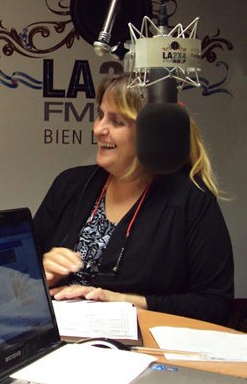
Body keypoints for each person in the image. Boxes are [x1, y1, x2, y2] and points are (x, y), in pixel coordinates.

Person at [33, 73, 234, 326]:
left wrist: (126, 302)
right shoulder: (69, 185)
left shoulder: (191, 200)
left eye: (116, 121)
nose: (98, 129)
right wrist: (42, 274)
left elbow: (215, 305)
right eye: (100, 115)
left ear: (152, 133)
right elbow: (19, 278)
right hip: (59, 338)